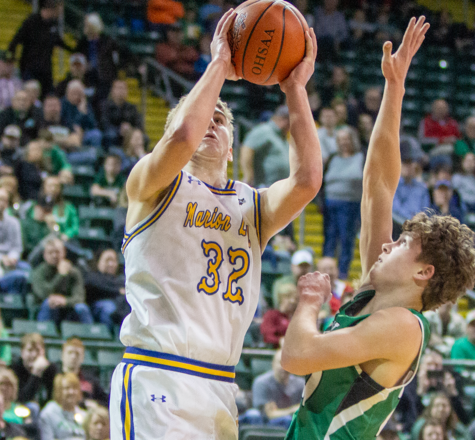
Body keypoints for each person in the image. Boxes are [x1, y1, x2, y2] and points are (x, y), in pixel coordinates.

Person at [109, 11, 322, 438]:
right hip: (158, 373)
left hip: (220, 385)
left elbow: (307, 181)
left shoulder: (252, 206)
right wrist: (221, 64)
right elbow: (184, 137)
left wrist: (295, 89)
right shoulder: (150, 182)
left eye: (222, 122)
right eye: (204, 116)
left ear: (230, 149)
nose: (211, 123)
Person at [282, 18, 475, 439]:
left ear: (423, 272)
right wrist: (395, 89)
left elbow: (298, 355)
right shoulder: (377, 292)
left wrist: (310, 302)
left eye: (404, 243)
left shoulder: (403, 326)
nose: (389, 243)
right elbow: (377, 186)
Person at [322, 127, 364, 279]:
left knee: (346, 238)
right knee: (329, 238)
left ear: (353, 140)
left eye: (346, 139)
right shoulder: (332, 157)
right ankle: (325, 271)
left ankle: (342, 273)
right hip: (330, 202)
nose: (343, 142)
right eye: (340, 140)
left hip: (350, 204)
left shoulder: (361, 157)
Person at [7, 0, 74, 95]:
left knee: (48, 94)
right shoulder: (31, 22)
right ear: (49, 9)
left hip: (46, 68)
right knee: (30, 92)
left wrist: (73, 50)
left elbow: (58, 41)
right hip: (30, 67)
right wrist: (11, 57)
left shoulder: (52, 24)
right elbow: (16, 40)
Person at [31, 236, 90, 326]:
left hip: (68, 308)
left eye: (57, 252)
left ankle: (89, 336)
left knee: (82, 308)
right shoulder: (38, 272)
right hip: (45, 310)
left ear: (64, 253)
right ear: (44, 255)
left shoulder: (74, 272)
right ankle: (46, 334)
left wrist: (65, 301)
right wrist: (61, 275)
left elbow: (79, 297)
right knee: (49, 303)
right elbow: (45, 294)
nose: (54, 255)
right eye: (50, 252)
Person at [245, 350, 305, 427]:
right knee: (253, 414)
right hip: (264, 425)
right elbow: (270, 414)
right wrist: (292, 410)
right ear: (273, 364)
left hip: (293, 426)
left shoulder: (301, 384)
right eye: (280, 363)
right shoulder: (262, 383)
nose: (284, 367)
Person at [0, 366, 37, 433]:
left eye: (8, 384)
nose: (4, 387)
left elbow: (29, 428)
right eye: (1, 383)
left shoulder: (21, 409)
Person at [60, 337, 108, 406]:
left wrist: (96, 404)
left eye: (77, 354)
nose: (73, 357)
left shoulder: (90, 380)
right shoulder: (54, 375)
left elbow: (106, 401)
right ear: (62, 355)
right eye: (70, 352)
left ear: (82, 357)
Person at [10, 333, 57, 403]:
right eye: (30, 350)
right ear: (22, 352)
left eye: (37, 350)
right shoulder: (14, 370)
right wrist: (36, 374)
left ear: (43, 352)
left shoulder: (51, 369)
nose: (34, 354)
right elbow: (22, 399)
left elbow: (53, 398)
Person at [83, 248, 124, 327]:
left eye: (114, 261)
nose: (111, 264)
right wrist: (118, 291)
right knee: (109, 307)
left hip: (119, 304)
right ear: (99, 262)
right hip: (98, 306)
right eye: (107, 260)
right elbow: (95, 287)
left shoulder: (121, 280)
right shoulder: (92, 276)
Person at [40, 373, 86, 440]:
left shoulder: (84, 415)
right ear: (58, 391)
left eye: (75, 388)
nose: (71, 392)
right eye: (67, 388)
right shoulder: (48, 413)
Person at [99, 80, 142, 149]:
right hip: (112, 133)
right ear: (112, 91)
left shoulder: (132, 108)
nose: (121, 91)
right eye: (119, 88)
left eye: (123, 88)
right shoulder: (104, 106)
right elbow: (103, 124)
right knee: (111, 135)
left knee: (141, 137)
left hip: (129, 134)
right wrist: (119, 130)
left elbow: (139, 125)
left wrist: (130, 129)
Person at [261, 282, 297, 348]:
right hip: (277, 350)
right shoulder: (271, 315)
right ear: (281, 298)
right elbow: (267, 337)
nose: (293, 301)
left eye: (295, 298)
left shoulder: (297, 318)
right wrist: (280, 341)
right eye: (288, 297)